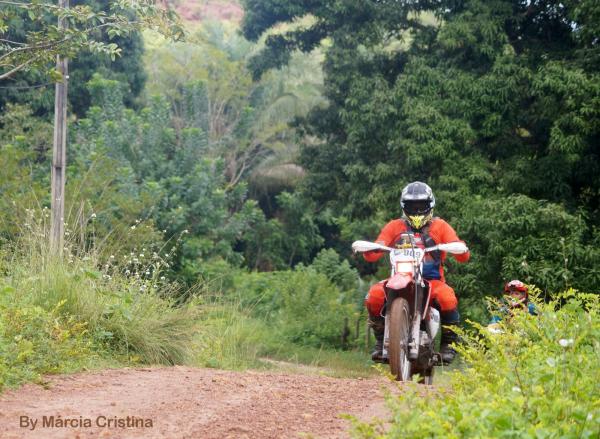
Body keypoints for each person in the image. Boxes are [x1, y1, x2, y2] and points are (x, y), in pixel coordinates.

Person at [363, 181, 470, 364]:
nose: (417, 210)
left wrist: (459, 248)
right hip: (400, 277)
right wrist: (375, 248)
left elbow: (462, 254)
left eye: (421, 205)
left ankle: (448, 344)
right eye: (413, 206)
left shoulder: (440, 226)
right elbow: (378, 246)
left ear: (430, 205)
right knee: (374, 295)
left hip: (431, 280)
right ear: (405, 206)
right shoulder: (395, 226)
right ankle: (381, 341)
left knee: (447, 298)